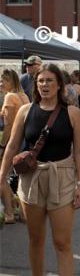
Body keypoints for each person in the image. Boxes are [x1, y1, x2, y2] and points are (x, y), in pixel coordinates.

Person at [0, 63, 80, 276]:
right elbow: (12, 145)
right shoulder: (25, 111)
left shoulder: (73, 113)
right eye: (40, 81)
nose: (44, 85)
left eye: (49, 80)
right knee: (36, 240)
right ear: (35, 85)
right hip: (31, 179)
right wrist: (1, 176)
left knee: (62, 242)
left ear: (59, 85)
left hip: (62, 178)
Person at [0, 69, 30, 224]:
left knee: (1, 177)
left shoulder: (10, 97)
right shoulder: (23, 95)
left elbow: (9, 125)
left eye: (3, 80)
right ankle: (21, 211)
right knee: (15, 178)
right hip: (24, 142)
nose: (1, 84)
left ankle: (10, 213)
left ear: (10, 81)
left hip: (13, 142)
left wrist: (3, 145)